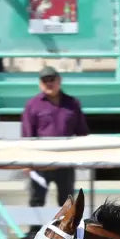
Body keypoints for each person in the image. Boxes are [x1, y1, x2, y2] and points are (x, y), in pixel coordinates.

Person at [21, 66, 89, 223]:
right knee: (36, 200)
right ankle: (33, 234)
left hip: (65, 161)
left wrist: (84, 155)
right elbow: (27, 134)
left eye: (52, 79)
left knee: (67, 202)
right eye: (45, 80)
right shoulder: (32, 105)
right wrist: (27, 161)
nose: (49, 83)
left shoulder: (72, 103)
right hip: (40, 162)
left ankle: (66, 234)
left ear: (59, 80)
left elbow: (82, 132)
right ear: (40, 83)